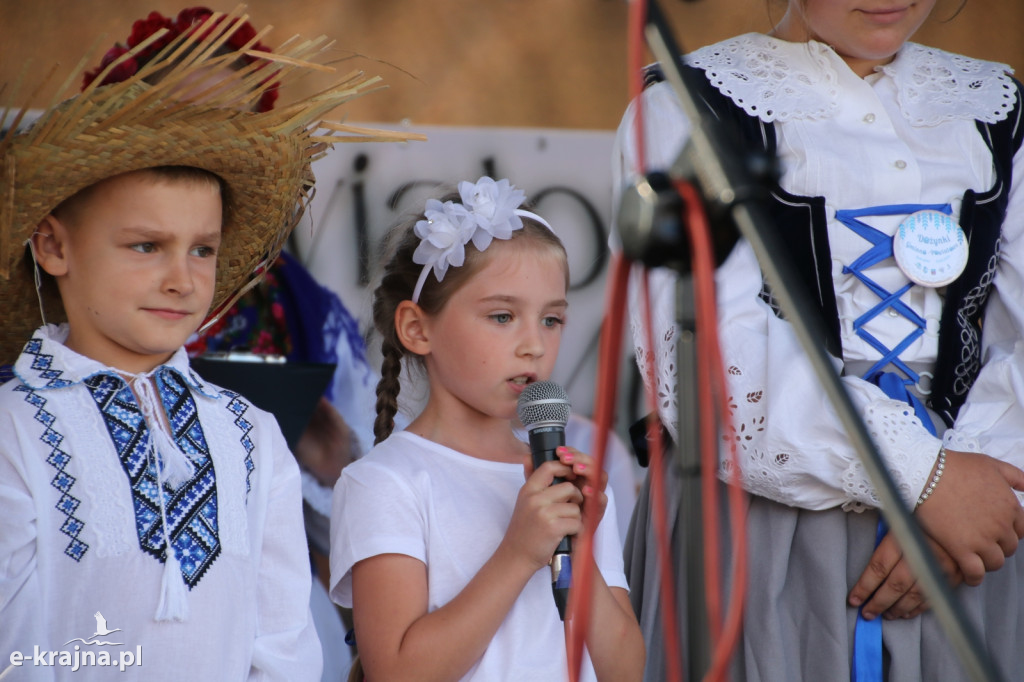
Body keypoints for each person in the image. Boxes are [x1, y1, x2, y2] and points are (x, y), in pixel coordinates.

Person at [613, 0, 1024, 680]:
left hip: (978, 524)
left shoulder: (998, 108)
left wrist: (983, 490)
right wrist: (923, 476)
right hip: (770, 525)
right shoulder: (687, 105)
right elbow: (709, 349)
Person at [0, 11, 405, 680]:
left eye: (203, 250)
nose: (181, 278)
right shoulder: (16, 428)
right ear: (52, 246)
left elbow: (282, 650)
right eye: (145, 246)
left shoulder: (249, 433)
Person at [329, 177, 645, 681]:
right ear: (417, 328)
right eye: (502, 316)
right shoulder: (386, 482)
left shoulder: (564, 481)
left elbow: (626, 670)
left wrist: (579, 550)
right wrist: (520, 552)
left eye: (551, 320)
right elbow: (397, 673)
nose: (533, 346)